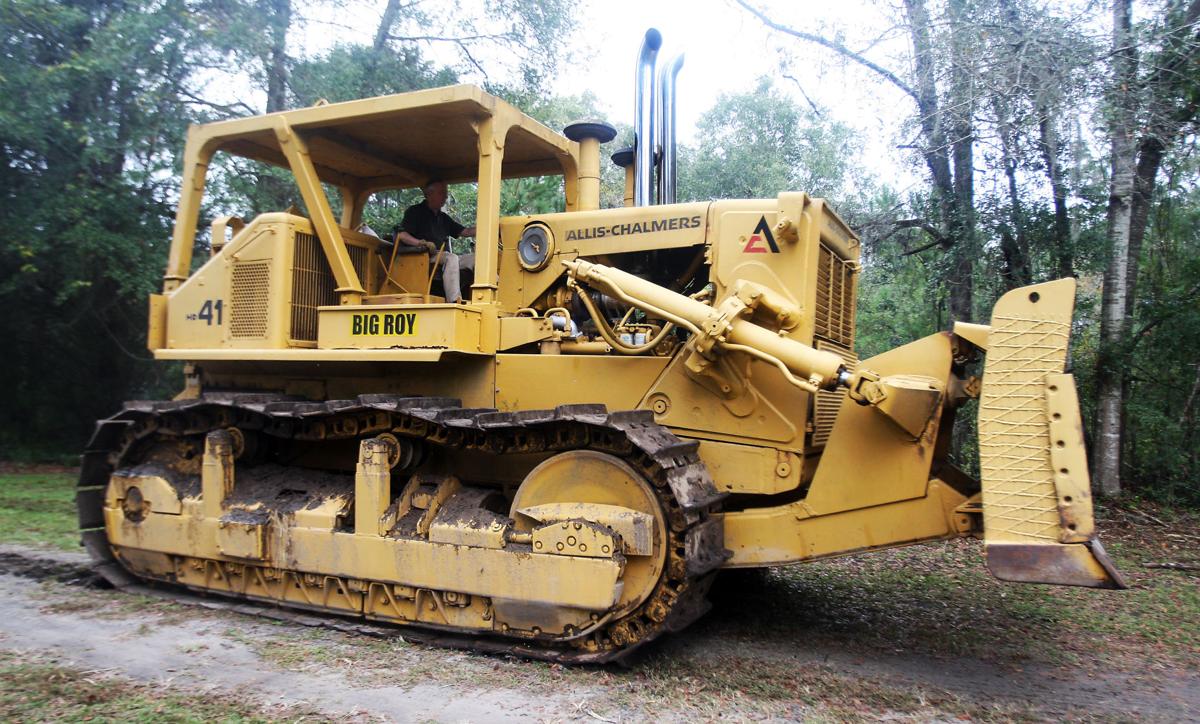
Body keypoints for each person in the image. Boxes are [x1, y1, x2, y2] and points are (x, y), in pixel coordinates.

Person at [396, 180, 476, 303]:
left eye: (446, 193)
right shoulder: (415, 212)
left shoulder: (443, 218)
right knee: (451, 258)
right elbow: (402, 235)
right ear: (429, 194)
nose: (446, 196)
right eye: (442, 193)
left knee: (475, 259)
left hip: (441, 257)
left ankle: (489, 296)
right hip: (421, 256)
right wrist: (420, 243)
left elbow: (465, 232)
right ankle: (455, 300)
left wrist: (489, 227)